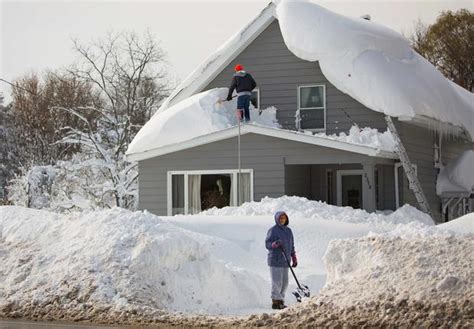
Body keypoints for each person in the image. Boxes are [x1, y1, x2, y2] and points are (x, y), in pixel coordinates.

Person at [265, 211, 297, 310]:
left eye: (284, 218)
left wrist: (293, 256)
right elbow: (267, 244)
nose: (282, 220)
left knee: (285, 282)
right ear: (277, 219)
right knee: (276, 282)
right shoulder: (273, 230)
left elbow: (291, 245)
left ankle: (281, 300)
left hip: (285, 260)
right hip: (275, 260)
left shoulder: (289, 231)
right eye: (280, 218)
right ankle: (275, 302)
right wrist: (274, 244)